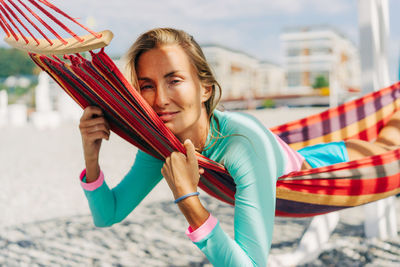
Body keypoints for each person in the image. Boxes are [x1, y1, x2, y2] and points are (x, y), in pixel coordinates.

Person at [78, 28, 400, 266]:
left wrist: (189, 200)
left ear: (205, 89)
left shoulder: (240, 145)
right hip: (298, 157)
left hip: (336, 166)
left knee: (393, 141)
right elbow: (109, 214)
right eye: (147, 86)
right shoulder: (161, 144)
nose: (160, 99)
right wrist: (91, 156)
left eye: (174, 80)